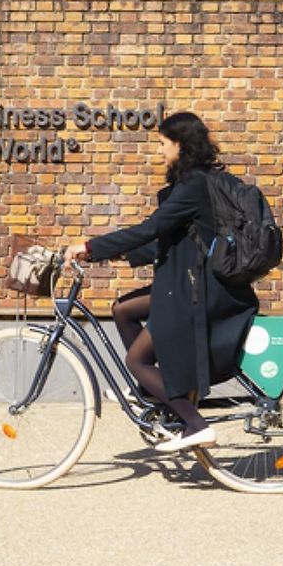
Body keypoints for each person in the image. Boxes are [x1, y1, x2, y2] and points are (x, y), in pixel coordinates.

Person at [66, 111, 258, 452]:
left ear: (180, 145)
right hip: (185, 280)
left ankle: (195, 424)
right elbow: (167, 239)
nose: (159, 152)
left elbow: (150, 229)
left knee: (136, 361)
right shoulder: (197, 182)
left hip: (193, 290)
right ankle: (150, 390)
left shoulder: (194, 185)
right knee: (123, 309)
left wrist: (91, 246)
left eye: (162, 144)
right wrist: (120, 254)